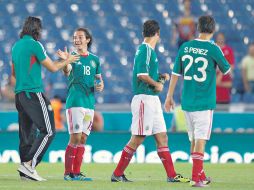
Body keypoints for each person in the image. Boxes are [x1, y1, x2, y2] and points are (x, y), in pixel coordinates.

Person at [111, 20, 189, 183]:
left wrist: (160, 77)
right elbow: (141, 75)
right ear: (157, 33)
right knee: (138, 138)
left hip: (152, 100)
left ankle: (171, 175)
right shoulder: (145, 50)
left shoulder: (148, 51)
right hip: (144, 100)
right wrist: (157, 84)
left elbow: (146, 75)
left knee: (162, 137)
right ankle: (117, 174)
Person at [164, 15, 231, 187]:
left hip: (187, 101)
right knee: (201, 139)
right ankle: (196, 178)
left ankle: (200, 173)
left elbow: (176, 74)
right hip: (204, 101)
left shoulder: (185, 47)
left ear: (197, 28)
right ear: (213, 30)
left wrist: (169, 97)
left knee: (193, 139)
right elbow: (226, 70)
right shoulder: (213, 48)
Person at [12, 16, 79, 181]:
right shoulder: (35, 45)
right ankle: (29, 165)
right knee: (48, 131)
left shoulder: (16, 46)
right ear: (37, 30)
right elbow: (53, 67)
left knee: (26, 135)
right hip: (33, 93)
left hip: (19, 95)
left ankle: (25, 172)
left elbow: (13, 74)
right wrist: (67, 60)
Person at [63, 28, 104, 181]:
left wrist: (100, 85)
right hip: (75, 102)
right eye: (74, 37)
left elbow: (99, 80)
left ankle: (77, 172)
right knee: (75, 137)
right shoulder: (72, 57)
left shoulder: (95, 59)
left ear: (87, 40)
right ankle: (68, 173)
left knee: (83, 139)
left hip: (89, 103)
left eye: (80, 37)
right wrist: (66, 61)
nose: (76, 40)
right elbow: (66, 71)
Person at [215, 32, 235, 104]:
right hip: (214, 75)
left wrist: (221, 73)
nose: (220, 39)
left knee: (225, 100)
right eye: (218, 37)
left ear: (224, 38)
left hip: (225, 75)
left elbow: (232, 65)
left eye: (221, 37)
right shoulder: (213, 49)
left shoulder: (229, 50)